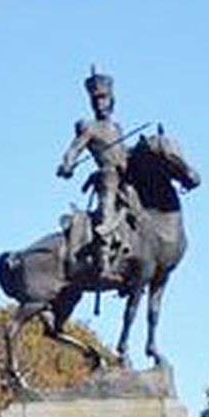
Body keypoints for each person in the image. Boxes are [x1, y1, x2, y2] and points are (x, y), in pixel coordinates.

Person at [57, 68, 133, 274]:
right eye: (96, 100)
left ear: (111, 100)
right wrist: (67, 164)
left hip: (126, 176)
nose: (100, 103)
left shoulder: (117, 127)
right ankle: (103, 255)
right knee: (107, 207)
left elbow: (123, 151)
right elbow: (75, 148)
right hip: (108, 175)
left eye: (104, 98)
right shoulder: (89, 127)